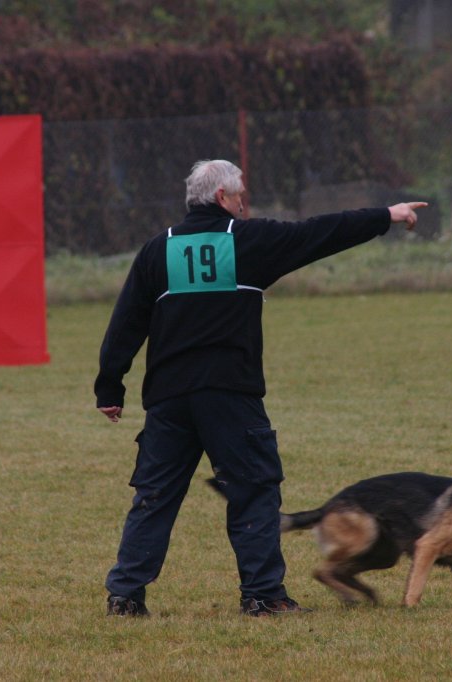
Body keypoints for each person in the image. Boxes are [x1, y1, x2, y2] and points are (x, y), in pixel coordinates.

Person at [95, 159, 427, 618]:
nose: (243, 203)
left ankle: (125, 597)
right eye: (239, 195)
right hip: (230, 395)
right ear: (221, 198)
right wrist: (385, 215)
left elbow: (126, 321)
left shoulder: (158, 249)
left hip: (170, 398)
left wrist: (110, 387)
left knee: (154, 498)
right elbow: (320, 232)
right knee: (253, 492)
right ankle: (263, 596)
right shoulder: (247, 241)